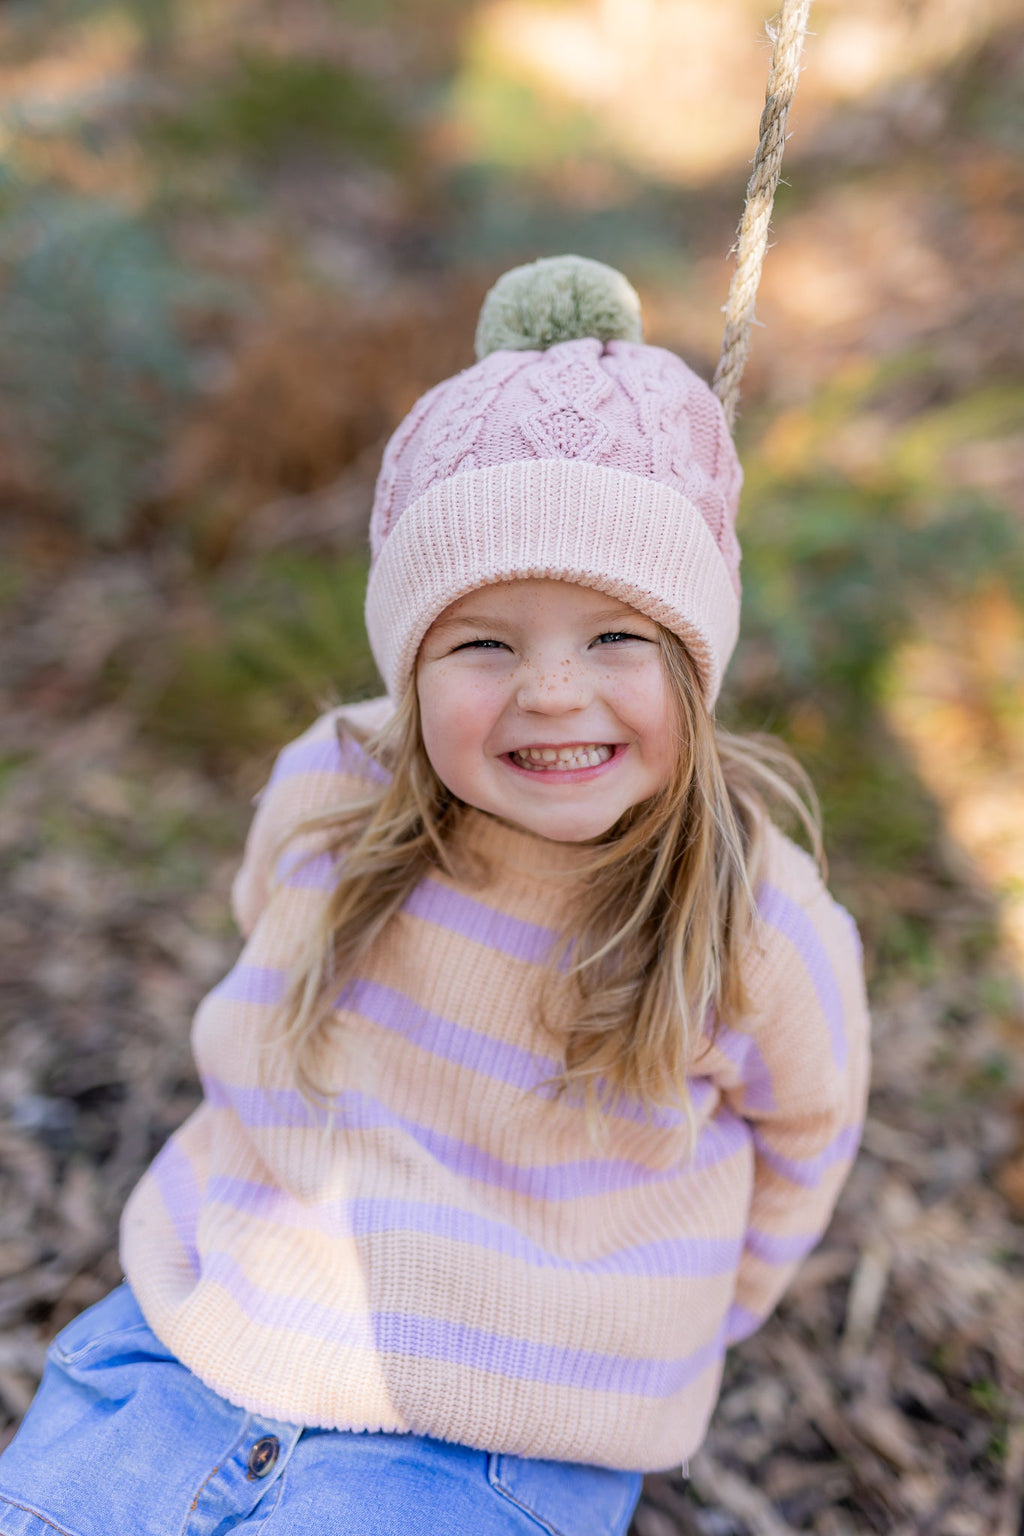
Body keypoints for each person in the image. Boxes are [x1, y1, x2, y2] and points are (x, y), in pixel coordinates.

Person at [0, 256, 870, 1536]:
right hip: (200, 1339)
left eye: (616, 635)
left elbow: (805, 1142)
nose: (553, 691)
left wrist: (663, 1323)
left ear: (695, 659)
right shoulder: (337, 791)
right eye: (483, 642)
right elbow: (267, 940)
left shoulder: (752, 914)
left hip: (501, 1436)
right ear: (409, 665)